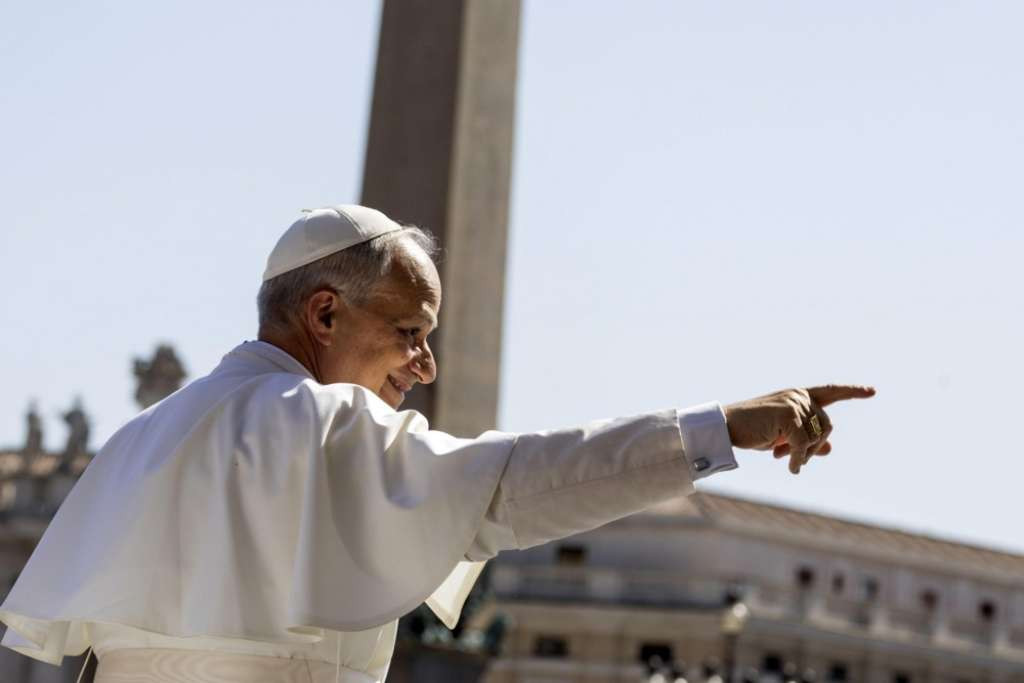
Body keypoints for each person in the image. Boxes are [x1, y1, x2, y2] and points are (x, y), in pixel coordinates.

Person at [0, 206, 875, 683]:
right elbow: (513, 484)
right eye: (410, 331)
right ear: (326, 312)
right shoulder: (315, 422)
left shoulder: (141, 439)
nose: (423, 365)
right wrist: (718, 427)